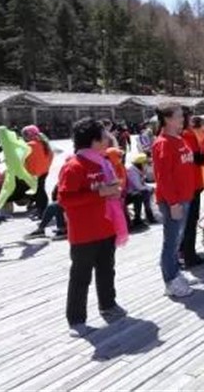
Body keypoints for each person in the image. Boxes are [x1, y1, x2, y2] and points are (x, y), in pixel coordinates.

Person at [58, 118, 127, 337]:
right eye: (104, 136)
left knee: (107, 269)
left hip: (106, 226)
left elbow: (108, 190)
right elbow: (65, 199)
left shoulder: (103, 162)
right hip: (84, 232)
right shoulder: (73, 166)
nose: (108, 139)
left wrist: (113, 191)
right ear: (93, 140)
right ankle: (76, 319)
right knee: (81, 276)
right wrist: (100, 193)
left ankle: (108, 304)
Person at [152, 103, 196, 297]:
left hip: (185, 197)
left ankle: (175, 272)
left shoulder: (179, 139)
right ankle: (170, 281)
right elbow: (163, 177)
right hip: (174, 201)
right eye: (178, 116)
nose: (182, 119)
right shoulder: (163, 143)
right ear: (167, 119)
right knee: (171, 241)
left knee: (177, 239)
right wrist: (173, 203)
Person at [180, 113, 204, 268]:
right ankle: (189, 255)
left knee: (185, 221)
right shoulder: (188, 136)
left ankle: (182, 251)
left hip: (187, 184)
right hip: (193, 184)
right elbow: (199, 158)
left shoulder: (179, 136)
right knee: (191, 221)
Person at [22, 125, 54, 219]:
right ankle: (41, 210)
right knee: (41, 190)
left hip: (34, 173)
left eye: (25, 135)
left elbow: (22, 158)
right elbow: (51, 156)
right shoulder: (43, 143)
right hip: (44, 171)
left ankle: (42, 212)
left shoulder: (29, 145)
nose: (24, 137)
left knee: (39, 192)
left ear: (30, 135)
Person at [125, 152, 156, 229]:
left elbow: (142, 184)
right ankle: (138, 219)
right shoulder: (132, 171)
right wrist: (150, 188)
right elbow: (138, 186)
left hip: (134, 191)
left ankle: (149, 215)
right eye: (146, 163)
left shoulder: (139, 171)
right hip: (128, 193)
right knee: (142, 194)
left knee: (147, 192)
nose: (147, 165)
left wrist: (150, 188)